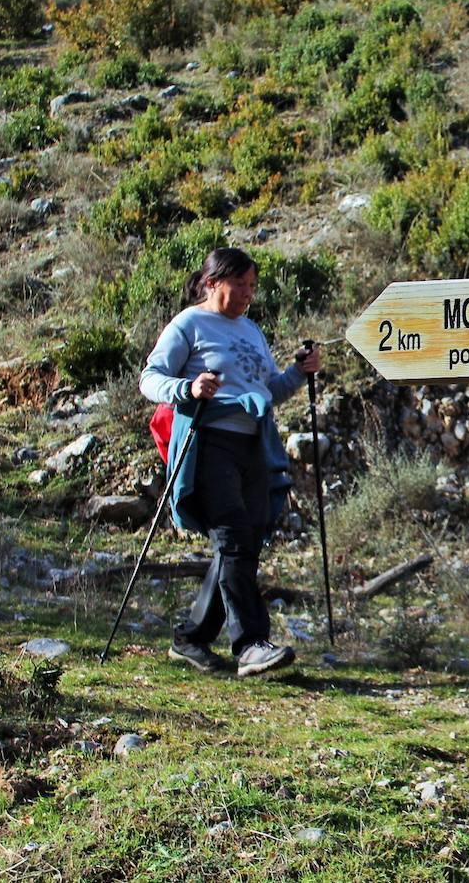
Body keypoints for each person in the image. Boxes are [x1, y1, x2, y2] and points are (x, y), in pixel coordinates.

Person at [139, 247, 320, 677]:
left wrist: (299, 373)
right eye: (239, 284)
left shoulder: (252, 331)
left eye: (252, 286)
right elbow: (150, 379)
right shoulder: (189, 324)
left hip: (253, 445)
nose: (247, 294)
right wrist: (189, 387)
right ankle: (251, 644)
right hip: (208, 442)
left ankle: (191, 639)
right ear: (212, 282)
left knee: (245, 540)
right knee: (235, 536)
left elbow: (267, 391)